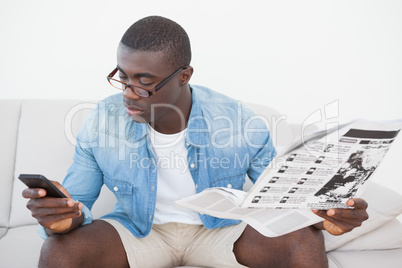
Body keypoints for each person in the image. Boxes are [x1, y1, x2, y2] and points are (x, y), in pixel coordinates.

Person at [22, 16, 368, 268]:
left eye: (143, 82)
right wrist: (62, 218)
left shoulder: (239, 121)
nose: (128, 93)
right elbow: (78, 201)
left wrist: (325, 216)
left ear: (184, 75)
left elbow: (279, 197)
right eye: (122, 77)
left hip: (219, 232)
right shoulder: (102, 120)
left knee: (303, 240)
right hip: (140, 231)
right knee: (60, 251)